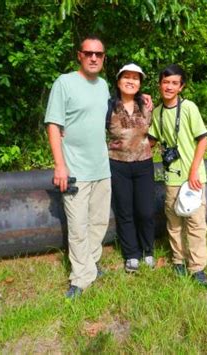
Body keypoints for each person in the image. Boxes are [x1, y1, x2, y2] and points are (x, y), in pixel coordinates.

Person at [44, 35, 111, 299]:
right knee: (78, 225)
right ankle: (80, 278)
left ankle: (91, 265)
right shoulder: (65, 83)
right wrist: (60, 165)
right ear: (79, 56)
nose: (94, 58)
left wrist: (144, 100)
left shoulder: (104, 85)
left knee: (98, 222)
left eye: (99, 54)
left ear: (104, 58)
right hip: (75, 170)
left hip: (101, 168)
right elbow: (53, 125)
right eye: (89, 53)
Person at [148, 64, 207, 286]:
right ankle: (178, 261)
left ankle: (197, 268)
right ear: (159, 85)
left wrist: (194, 171)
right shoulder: (157, 112)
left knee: (195, 223)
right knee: (174, 222)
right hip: (171, 178)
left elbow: (202, 139)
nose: (169, 87)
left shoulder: (189, 108)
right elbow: (151, 141)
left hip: (192, 177)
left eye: (175, 83)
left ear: (181, 87)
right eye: (166, 82)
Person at [107, 63, 155, 273]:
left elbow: (154, 131)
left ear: (140, 83)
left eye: (135, 78)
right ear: (118, 82)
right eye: (126, 77)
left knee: (145, 210)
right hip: (117, 164)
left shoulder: (145, 104)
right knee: (125, 211)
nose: (130, 81)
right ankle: (131, 255)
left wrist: (143, 147)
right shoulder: (108, 106)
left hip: (144, 163)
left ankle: (148, 250)